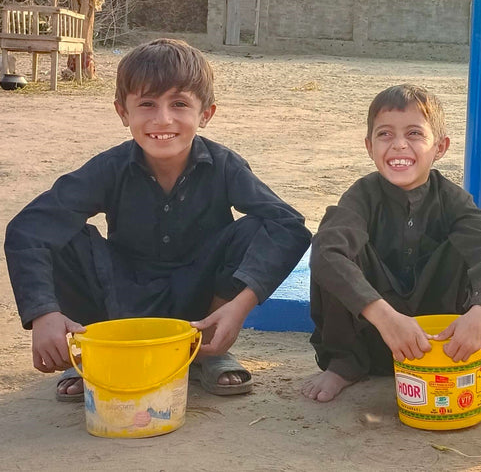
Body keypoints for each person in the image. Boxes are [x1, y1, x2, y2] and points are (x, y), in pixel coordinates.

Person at [4, 38, 311, 400]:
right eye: (146, 104)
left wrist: (239, 307)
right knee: (63, 234)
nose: (162, 119)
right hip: (122, 298)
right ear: (123, 112)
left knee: (261, 224)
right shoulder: (109, 168)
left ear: (206, 114)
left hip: (200, 303)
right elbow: (27, 229)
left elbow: (289, 225)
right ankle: (96, 350)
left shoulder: (225, 166)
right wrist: (44, 314)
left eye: (179, 104)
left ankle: (208, 349)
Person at [301, 84, 481, 403]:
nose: (399, 145)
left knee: (472, 242)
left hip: (436, 341)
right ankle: (343, 365)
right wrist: (386, 318)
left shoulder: (452, 200)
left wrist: (480, 315)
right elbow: (327, 254)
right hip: (370, 335)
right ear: (369, 146)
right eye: (385, 134)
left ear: (440, 147)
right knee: (331, 250)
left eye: (414, 134)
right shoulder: (361, 197)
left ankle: (465, 359)